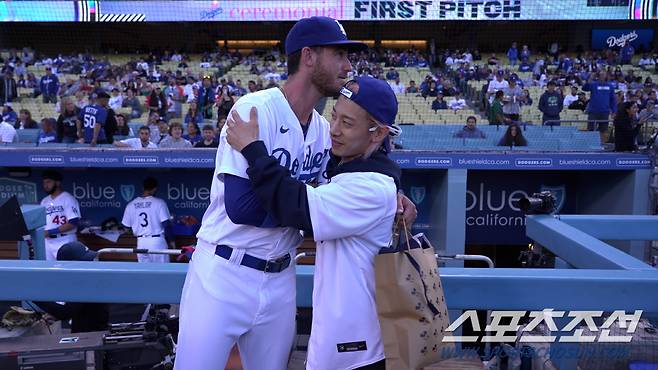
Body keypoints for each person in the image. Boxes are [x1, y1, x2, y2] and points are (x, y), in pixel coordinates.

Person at [174, 16, 415, 370]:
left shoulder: (323, 130)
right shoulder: (254, 110)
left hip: (281, 278)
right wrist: (305, 212)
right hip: (224, 272)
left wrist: (392, 197)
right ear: (309, 56)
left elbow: (350, 183)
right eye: (340, 55)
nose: (348, 66)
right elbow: (243, 209)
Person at [226, 76, 402, 370]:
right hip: (346, 341)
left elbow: (295, 206)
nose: (334, 130)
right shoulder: (366, 174)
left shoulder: (371, 187)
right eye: (334, 117)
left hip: (356, 350)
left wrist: (253, 149)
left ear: (377, 134)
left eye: (347, 123)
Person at [34, 242, 109, 333]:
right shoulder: (86, 279)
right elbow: (73, 308)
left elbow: (64, 312)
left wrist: (34, 295)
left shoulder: (89, 282)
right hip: (87, 330)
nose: (90, 263)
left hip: (92, 335)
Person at [121, 177, 174, 263]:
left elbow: (126, 228)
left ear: (143, 188)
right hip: (156, 241)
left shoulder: (131, 205)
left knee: (145, 272)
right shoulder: (159, 203)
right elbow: (166, 224)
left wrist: (138, 230)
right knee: (162, 271)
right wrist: (172, 240)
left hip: (141, 242)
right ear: (155, 189)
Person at [40, 170, 81, 261]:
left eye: (48, 182)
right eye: (44, 183)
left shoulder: (68, 199)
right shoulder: (44, 201)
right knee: (49, 271)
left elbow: (73, 222)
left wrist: (50, 232)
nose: (45, 185)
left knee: (67, 271)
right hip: (48, 242)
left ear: (58, 183)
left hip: (65, 240)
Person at [583, 71, 617, 143]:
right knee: (591, 129)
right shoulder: (594, 84)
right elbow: (585, 88)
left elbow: (613, 99)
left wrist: (614, 111)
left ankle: (602, 145)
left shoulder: (610, 86)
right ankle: (590, 144)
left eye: (603, 74)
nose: (602, 76)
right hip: (593, 111)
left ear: (606, 76)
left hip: (604, 111)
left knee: (603, 130)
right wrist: (591, 78)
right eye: (600, 74)